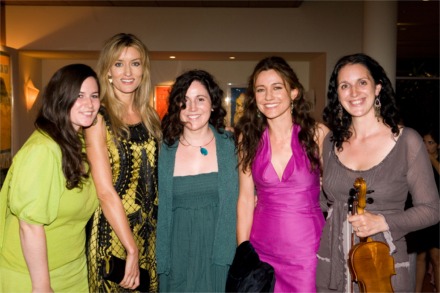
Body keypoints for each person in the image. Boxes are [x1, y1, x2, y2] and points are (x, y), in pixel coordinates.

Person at [316, 53, 440, 292]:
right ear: (337, 94)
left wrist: (383, 221)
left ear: (378, 88)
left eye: (362, 82)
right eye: (345, 85)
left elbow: (432, 209)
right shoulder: (330, 141)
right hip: (333, 261)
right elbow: (324, 202)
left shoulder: (407, 141)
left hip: (384, 265)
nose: (353, 92)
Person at [0, 63, 100, 292]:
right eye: (79, 95)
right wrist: (42, 285)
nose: (89, 104)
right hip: (32, 275)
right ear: (60, 99)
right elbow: (29, 226)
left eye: (94, 96)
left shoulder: (80, 144)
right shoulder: (42, 150)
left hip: (73, 269)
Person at [234, 56, 328, 292]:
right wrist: (243, 250)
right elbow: (246, 199)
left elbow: (337, 188)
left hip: (307, 249)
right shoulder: (249, 139)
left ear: (294, 92)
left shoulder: (317, 134)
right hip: (261, 247)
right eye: (261, 90)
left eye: (277, 88)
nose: (268, 96)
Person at [85, 33, 162, 292]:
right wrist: (131, 249)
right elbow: (105, 192)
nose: (127, 71)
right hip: (114, 236)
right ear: (108, 71)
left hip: (149, 234)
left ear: (144, 70)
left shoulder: (150, 116)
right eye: (119, 64)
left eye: (135, 63)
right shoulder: (98, 118)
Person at [156, 69, 238, 292]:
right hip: (177, 256)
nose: (192, 109)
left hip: (220, 255)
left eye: (200, 99)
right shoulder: (163, 151)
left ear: (213, 104)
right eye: (184, 101)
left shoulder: (232, 146)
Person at [406, 127, 440, 292]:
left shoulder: (434, 161)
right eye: (424, 142)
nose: (426, 146)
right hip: (421, 211)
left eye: (431, 143)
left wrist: (431, 160)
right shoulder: (418, 160)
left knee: (436, 257)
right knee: (420, 256)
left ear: (438, 146)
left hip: (438, 214)